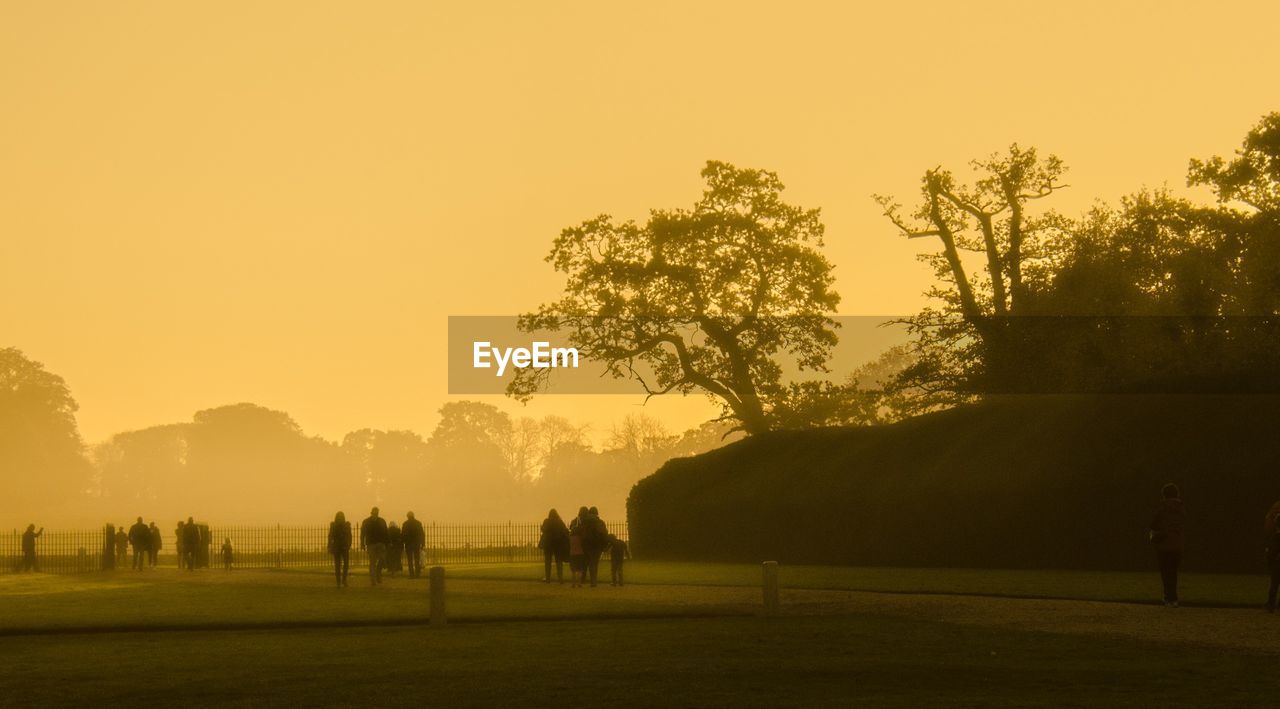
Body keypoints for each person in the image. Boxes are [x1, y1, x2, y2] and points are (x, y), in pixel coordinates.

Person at [1149, 483, 1185, 607]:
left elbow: (1153, 523)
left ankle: (1168, 598)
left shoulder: (1162, 508)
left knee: (1165, 573)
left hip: (1164, 545)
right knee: (1173, 572)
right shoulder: (1181, 509)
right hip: (1177, 545)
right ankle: (1174, 598)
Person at [360, 507, 389, 586]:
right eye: (374, 513)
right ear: (371, 513)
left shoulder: (381, 521)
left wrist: (387, 543)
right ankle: (373, 579)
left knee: (382, 559)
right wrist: (362, 544)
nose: (375, 514)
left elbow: (386, 533)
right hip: (371, 544)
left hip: (380, 543)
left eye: (376, 513)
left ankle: (377, 573)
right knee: (373, 562)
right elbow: (362, 534)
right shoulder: (367, 522)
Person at [538, 509, 569, 584]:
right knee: (559, 561)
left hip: (548, 544)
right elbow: (565, 531)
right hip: (558, 544)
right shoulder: (559, 521)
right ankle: (560, 579)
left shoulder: (547, 521)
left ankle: (548, 579)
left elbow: (543, 529)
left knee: (548, 561)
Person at [581, 506, 609, 588]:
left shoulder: (584, 522)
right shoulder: (600, 522)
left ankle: (593, 581)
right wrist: (605, 545)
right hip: (598, 545)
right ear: (597, 513)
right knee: (595, 562)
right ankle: (594, 581)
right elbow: (604, 534)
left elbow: (582, 534)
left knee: (590, 562)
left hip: (587, 544)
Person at [328, 511, 352, 587]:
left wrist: (330, 546)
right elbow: (349, 536)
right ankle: (342, 581)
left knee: (339, 565)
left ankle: (340, 581)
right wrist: (348, 545)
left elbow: (330, 537)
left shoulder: (335, 525)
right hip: (341, 547)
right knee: (343, 565)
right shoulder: (345, 525)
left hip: (340, 547)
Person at [401, 512, 425, 579]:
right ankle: (417, 574)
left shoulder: (405, 524)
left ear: (407, 516)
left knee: (410, 560)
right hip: (416, 543)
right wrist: (423, 544)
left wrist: (403, 543)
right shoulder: (418, 523)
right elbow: (422, 534)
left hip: (408, 544)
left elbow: (403, 535)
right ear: (413, 516)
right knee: (417, 559)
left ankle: (412, 574)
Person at [1267, 523, 1280, 612]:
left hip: (1277, 564)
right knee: (1274, 585)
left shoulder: (1276, 536)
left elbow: (1271, 551)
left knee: (1274, 584)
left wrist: (1270, 561)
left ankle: (1271, 605)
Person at [568, 524, 586, 588]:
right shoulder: (580, 538)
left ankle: (573, 583)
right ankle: (579, 583)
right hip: (580, 554)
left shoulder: (570, 538)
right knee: (580, 570)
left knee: (573, 571)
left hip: (572, 554)